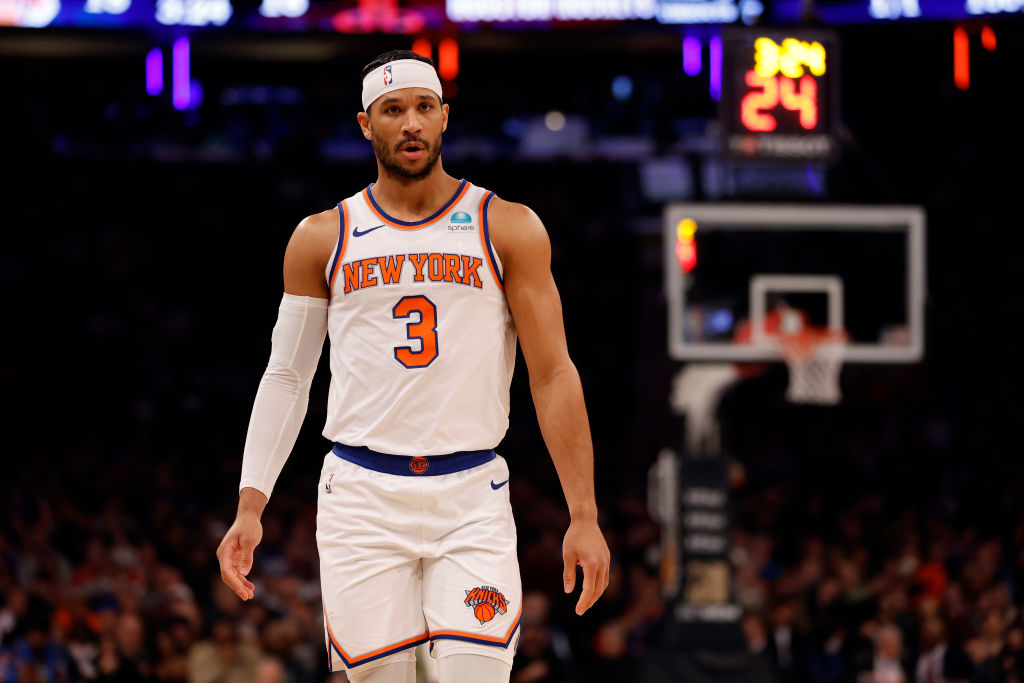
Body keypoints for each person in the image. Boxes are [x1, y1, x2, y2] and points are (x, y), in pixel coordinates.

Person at [215, 49, 610, 683]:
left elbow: (554, 373)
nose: (411, 124)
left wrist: (584, 514)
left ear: (445, 117)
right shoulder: (323, 235)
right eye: (392, 110)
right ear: (365, 124)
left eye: (424, 108)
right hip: (362, 497)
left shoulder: (506, 226)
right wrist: (250, 505)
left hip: (471, 493)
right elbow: (287, 376)